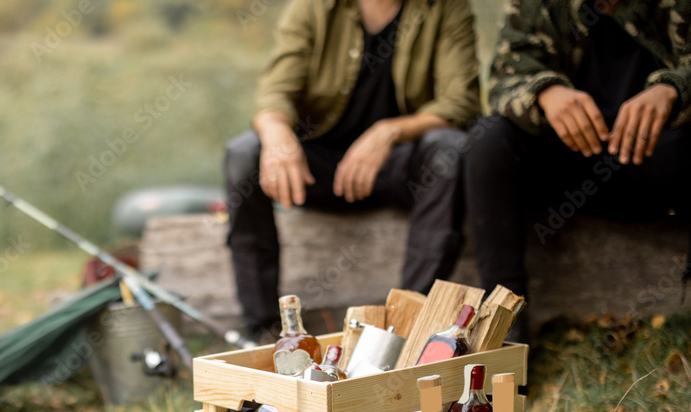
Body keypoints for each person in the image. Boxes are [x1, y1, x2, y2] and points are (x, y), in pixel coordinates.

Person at [225, 0, 481, 340]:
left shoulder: (446, 7)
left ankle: (409, 327)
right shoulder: (312, 7)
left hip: (399, 169)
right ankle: (260, 332)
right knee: (244, 154)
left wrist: (388, 132)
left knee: (449, 148)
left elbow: (461, 101)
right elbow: (275, 91)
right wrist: (277, 134)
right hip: (318, 172)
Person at [465, 0, 691, 319]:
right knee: (488, 138)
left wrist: (674, 89)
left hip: (664, 162)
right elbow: (504, 79)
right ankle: (504, 322)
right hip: (571, 167)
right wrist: (544, 92)